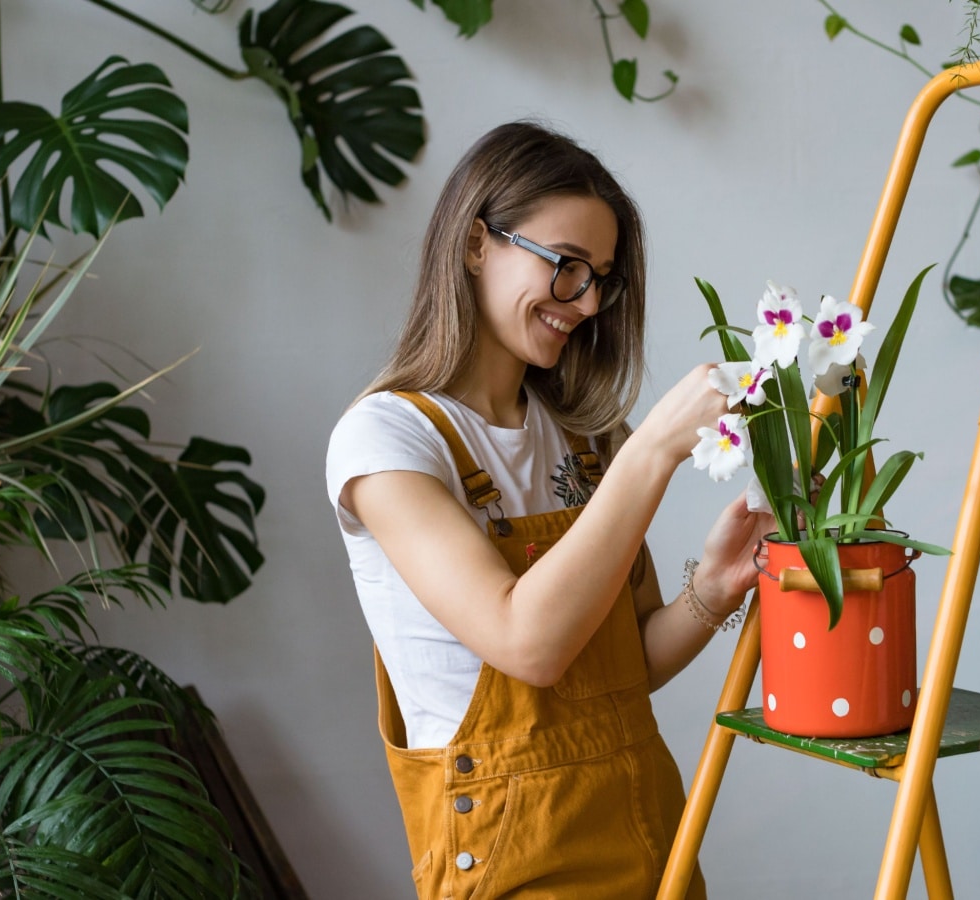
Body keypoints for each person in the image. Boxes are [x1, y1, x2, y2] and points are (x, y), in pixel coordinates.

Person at [326, 121, 772, 899]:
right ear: (474, 244)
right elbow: (527, 644)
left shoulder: (588, 437)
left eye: (601, 277)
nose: (587, 301)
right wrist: (654, 450)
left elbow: (626, 668)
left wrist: (716, 586)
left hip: (648, 832)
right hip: (512, 857)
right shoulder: (385, 440)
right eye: (566, 266)